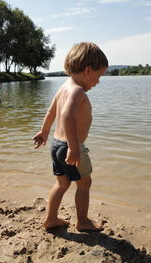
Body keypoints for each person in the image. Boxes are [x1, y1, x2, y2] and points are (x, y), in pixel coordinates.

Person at [33, 42, 108, 232]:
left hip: (56, 145)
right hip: (70, 147)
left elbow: (52, 111)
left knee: (62, 183)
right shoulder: (77, 90)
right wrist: (74, 148)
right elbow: (65, 115)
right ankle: (82, 221)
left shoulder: (64, 86)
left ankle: (51, 219)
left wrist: (44, 131)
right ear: (88, 70)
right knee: (85, 183)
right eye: (98, 76)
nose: (98, 82)